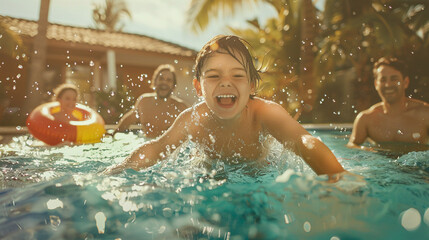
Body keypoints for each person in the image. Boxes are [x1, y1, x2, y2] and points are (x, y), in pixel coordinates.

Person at [104, 35, 345, 176]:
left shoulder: (264, 112)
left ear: (251, 86)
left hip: (256, 174)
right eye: (214, 76)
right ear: (199, 88)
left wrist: (337, 175)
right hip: (211, 174)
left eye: (237, 76)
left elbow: (304, 141)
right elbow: (158, 147)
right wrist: (121, 168)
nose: (225, 83)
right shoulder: (193, 118)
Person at [347, 57, 429, 152]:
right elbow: (351, 145)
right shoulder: (366, 118)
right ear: (376, 84)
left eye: (394, 79)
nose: (388, 85)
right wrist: (366, 151)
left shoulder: (425, 114)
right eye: (383, 80)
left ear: (405, 82)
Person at [110, 64, 188, 138]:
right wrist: (113, 135)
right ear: (155, 82)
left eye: (169, 80)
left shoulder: (181, 108)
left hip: (169, 149)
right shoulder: (144, 102)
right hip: (146, 143)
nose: (164, 82)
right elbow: (127, 120)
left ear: (173, 86)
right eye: (161, 79)